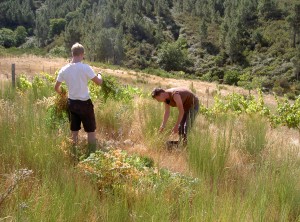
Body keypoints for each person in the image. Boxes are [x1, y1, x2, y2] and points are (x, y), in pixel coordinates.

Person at [54, 42, 102, 155]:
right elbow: (99, 82)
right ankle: (91, 154)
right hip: (85, 104)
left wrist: (63, 95)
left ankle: (73, 154)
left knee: (74, 131)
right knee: (90, 131)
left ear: (72, 54)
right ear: (82, 54)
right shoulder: (85, 68)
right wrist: (100, 75)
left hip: (72, 104)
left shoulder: (64, 69)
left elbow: (56, 88)